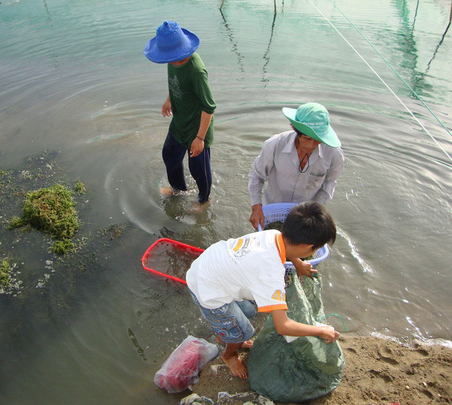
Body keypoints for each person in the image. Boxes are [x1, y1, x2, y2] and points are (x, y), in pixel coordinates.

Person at [186, 201, 341, 379]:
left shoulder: (275, 234)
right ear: (308, 247)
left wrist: (298, 264)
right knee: (244, 332)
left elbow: (287, 251)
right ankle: (229, 355)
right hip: (207, 292)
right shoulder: (271, 274)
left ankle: (225, 335)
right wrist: (320, 330)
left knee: (250, 310)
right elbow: (283, 326)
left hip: (207, 266)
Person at [144, 21, 217, 214]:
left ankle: (204, 200)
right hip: (179, 122)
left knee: (198, 169)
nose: (169, 60)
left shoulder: (196, 70)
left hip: (197, 128)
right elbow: (175, 82)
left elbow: (209, 106)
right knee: (169, 155)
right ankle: (178, 189)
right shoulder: (173, 61)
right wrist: (169, 99)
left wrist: (200, 139)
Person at [248, 102, 344, 229]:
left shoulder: (334, 155)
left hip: (306, 215)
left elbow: (329, 183)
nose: (311, 145)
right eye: (307, 138)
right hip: (273, 208)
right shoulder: (274, 145)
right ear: (294, 129)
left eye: (317, 140)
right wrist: (256, 207)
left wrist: (317, 211)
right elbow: (257, 176)